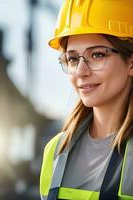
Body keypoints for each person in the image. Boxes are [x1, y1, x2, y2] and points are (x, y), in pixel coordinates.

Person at [40, 0, 133, 199]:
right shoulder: (54, 151)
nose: (81, 72)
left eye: (97, 54)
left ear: (131, 63)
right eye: (73, 59)